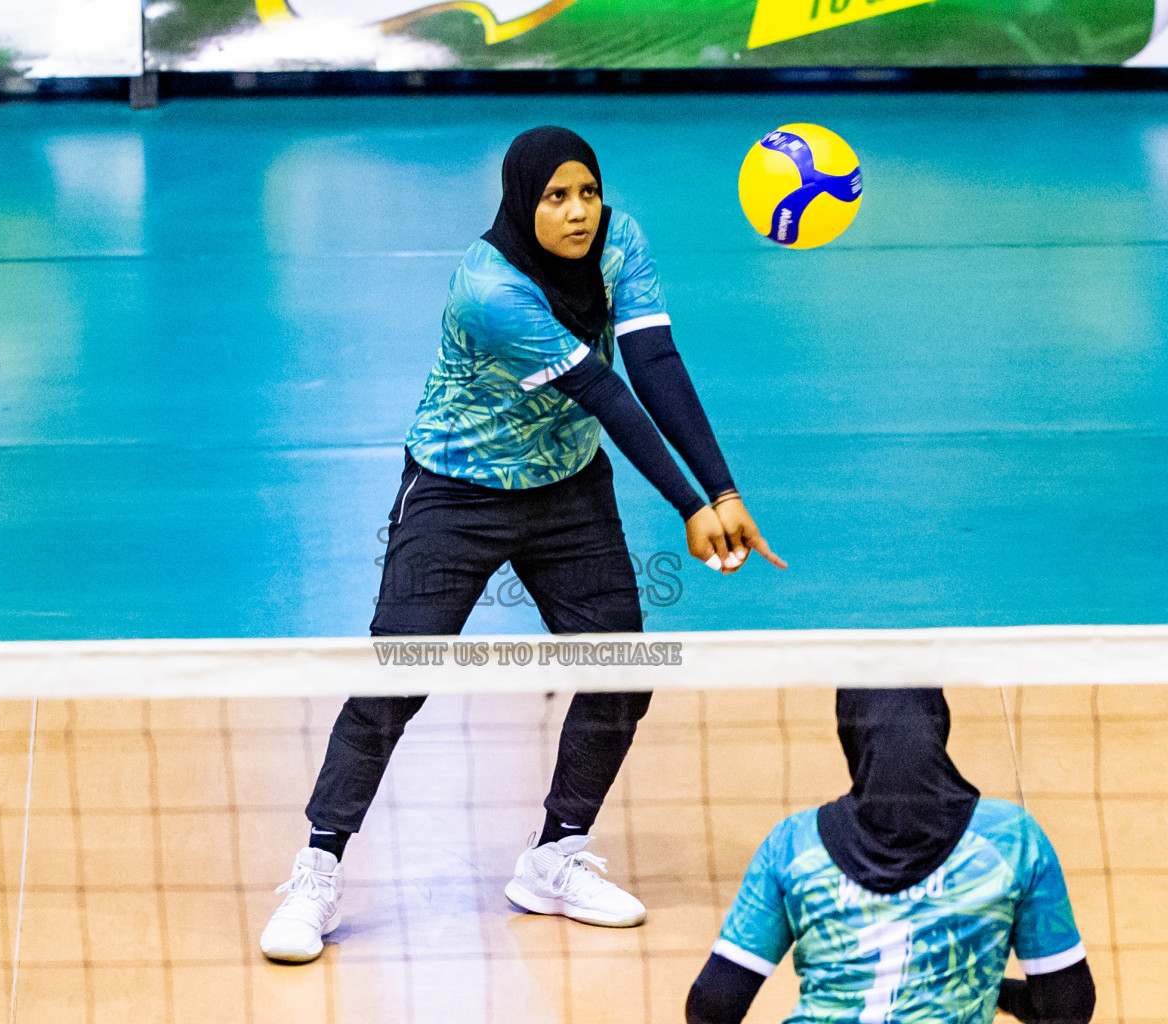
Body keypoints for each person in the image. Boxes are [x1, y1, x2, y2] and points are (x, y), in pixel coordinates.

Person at [260, 125, 789, 963]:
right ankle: (318, 867)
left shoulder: (623, 241)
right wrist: (690, 506)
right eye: (556, 197)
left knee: (621, 671)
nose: (578, 212)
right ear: (521, 201)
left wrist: (723, 491)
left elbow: (655, 362)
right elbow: (605, 392)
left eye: (587, 191)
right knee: (398, 677)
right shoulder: (489, 289)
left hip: (568, 489)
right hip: (457, 488)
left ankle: (555, 857)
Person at [687, 688, 1095, 1024]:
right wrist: (988, 988)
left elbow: (713, 1006)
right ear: (938, 728)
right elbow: (1068, 1007)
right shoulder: (1011, 839)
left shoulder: (793, 846)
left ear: (850, 736)